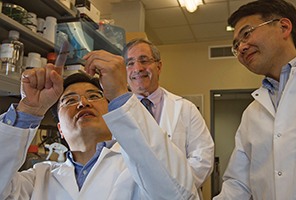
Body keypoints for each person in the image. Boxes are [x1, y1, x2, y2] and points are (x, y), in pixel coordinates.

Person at [0, 50, 200, 199]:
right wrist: (29, 111)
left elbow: (179, 193)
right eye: (70, 100)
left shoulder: (138, 169)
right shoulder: (37, 178)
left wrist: (121, 95)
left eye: (94, 96)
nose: (83, 103)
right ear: (60, 128)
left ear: (114, 117)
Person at [214, 0, 296, 199]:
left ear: (284, 27)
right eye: (236, 45)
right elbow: (237, 183)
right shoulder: (252, 113)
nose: (241, 47)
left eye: (246, 33)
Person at [122, 38, 215, 195]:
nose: (137, 68)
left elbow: (203, 159)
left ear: (159, 66)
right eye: (130, 63)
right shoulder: (118, 113)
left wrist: (171, 189)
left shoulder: (186, 109)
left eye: (144, 60)